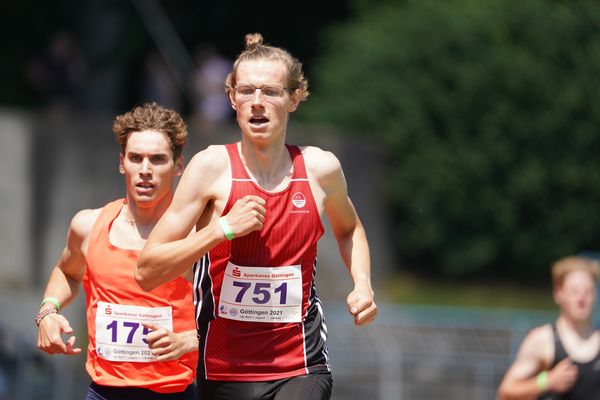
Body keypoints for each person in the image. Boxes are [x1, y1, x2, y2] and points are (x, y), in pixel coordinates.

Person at [136, 33, 378, 400]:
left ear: (294, 98)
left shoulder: (319, 168)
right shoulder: (211, 168)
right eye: (246, 91)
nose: (257, 103)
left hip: (301, 363)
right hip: (223, 368)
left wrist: (361, 283)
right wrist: (220, 229)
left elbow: (350, 229)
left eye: (271, 92)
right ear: (231, 98)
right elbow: (147, 270)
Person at [35, 102, 199, 400]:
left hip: (175, 391)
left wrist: (192, 340)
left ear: (178, 167)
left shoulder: (198, 235)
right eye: (136, 158)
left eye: (158, 159)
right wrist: (48, 311)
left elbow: (234, 317)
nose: (145, 170)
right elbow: (67, 271)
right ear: (122, 162)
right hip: (104, 392)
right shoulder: (88, 225)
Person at [497, 255, 600, 400]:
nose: (581, 299)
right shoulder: (542, 340)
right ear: (559, 294)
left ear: (595, 295)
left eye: (587, 291)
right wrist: (546, 382)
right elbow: (506, 392)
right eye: (574, 291)